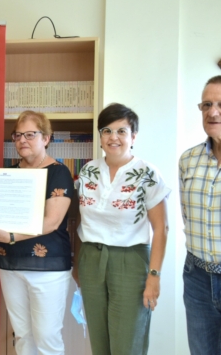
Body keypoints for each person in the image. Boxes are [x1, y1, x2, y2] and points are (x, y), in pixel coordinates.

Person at [0, 110, 74, 355]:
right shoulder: (6, 174)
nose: (22, 140)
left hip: (47, 267)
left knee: (47, 338)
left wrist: (9, 237)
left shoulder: (59, 172)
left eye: (30, 134)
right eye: (17, 135)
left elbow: (52, 222)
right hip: (10, 264)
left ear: (46, 138)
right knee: (22, 336)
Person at [73, 103, 170, 355]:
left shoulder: (147, 173)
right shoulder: (87, 171)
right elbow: (80, 222)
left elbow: (162, 228)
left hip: (131, 260)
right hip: (91, 259)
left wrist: (154, 276)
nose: (113, 137)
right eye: (106, 131)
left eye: (121, 131)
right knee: (98, 340)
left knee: (127, 342)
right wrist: (77, 264)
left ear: (133, 136)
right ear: (100, 136)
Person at [179, 75, 221, 355]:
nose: (212, 112)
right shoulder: (188, 159)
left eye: (220, 104)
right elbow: (186, 216)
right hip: (197, 279)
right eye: (206, 104)